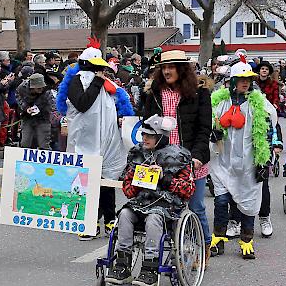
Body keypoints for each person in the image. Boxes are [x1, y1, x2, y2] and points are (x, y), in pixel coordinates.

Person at [56, 38, 134, 240]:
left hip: (106, 140)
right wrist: (98, 82)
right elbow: (82, 104)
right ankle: (89, 223)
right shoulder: (76, 82)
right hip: (84, 141)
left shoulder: (108, 85)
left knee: (106, 180)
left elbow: (119, 104)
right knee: (86, 183)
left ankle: (109, 219)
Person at [106, 115, 196, 286]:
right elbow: (128, 191)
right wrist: (137, 178)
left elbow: (188, 190)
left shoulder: (179, 156)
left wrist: (164, 178)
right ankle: (122, 264)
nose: (144, 138)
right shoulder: (136, 153)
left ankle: (150, 267)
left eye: (150, 135)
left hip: (166, 205)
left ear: (161, 137)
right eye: (144, 135)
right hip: (141, 202)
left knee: (154, 217)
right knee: (124, 214)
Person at [140, 50, 212, 263]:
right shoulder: (153, 92)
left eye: (171, 67)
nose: (167, 71)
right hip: (162, 161)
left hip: (190, 160)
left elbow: (203, 129)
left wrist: (197, 156)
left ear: (182, 69)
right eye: (164, 67)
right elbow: (148, 127)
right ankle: (171, 247)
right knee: (162, 205)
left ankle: (203, 244)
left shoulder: (199, 93)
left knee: (196, 205)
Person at [210, 62, 277, 260]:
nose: (245, 83)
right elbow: (209, 123)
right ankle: (218, 240)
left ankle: (247, 241)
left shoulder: (259, 103)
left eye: (249, 80)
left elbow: (268, 131)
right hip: (223, 161)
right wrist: (212, 135)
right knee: (221, 201)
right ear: (232, 81)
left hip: (248, 163)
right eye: (241, 79)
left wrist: (265, 160)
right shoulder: (220, 102)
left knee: (248, 203)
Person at [16, 73, 54, 149]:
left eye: (41, 88)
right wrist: (26, 108)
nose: (41, 90)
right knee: (25, 142)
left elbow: (51, 105)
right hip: (27, 117)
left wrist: (38, 108)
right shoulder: (22, 88)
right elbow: (18, 98)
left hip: (43, 117)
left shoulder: (47, 91)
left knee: (44, 143)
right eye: (38, 88)